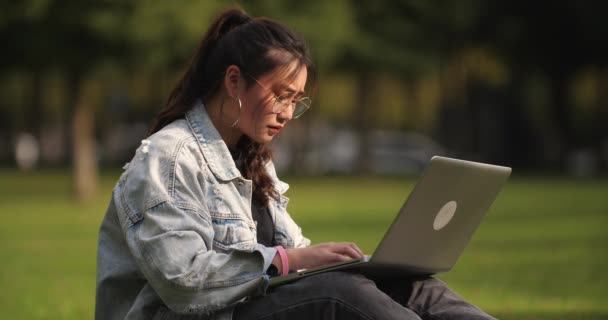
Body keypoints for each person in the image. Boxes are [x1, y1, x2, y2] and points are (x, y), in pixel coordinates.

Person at [95, 6, 497, 320]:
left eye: (296, 101)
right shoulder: (168, 157)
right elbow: (182, 282)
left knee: (413, 288)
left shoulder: (254, 160)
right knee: (341, 298)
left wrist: (349, 265)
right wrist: (292, 261)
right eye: (282, 95)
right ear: (234, 81)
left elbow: (291, 256)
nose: (288, 112)